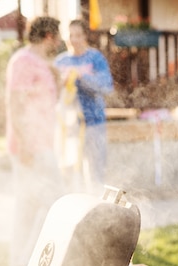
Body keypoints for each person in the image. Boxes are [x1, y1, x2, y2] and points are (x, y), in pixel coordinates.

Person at [5, 16, 65, 266]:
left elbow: (50, 102)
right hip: (31, 146)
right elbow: (15, 103)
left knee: (32, 207)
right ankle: (27, 264)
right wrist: (25, 145)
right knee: (50, 203)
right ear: (49, 36)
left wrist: (57, 79)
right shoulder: (23, 62)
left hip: (43, 143)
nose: (61, 41)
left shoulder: (41, 64)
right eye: (58, 36)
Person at [55, 19, 113, 191]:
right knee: (71, 173)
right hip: (69, 128)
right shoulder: (60, 62)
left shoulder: (95, 58)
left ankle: (96, 212)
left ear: (85, 36)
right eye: (70, 35)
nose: (74, 39)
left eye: (78, 35)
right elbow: (53, 93)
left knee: (95, 173)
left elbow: (106, 86)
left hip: (94, 123)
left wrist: (82, 77)